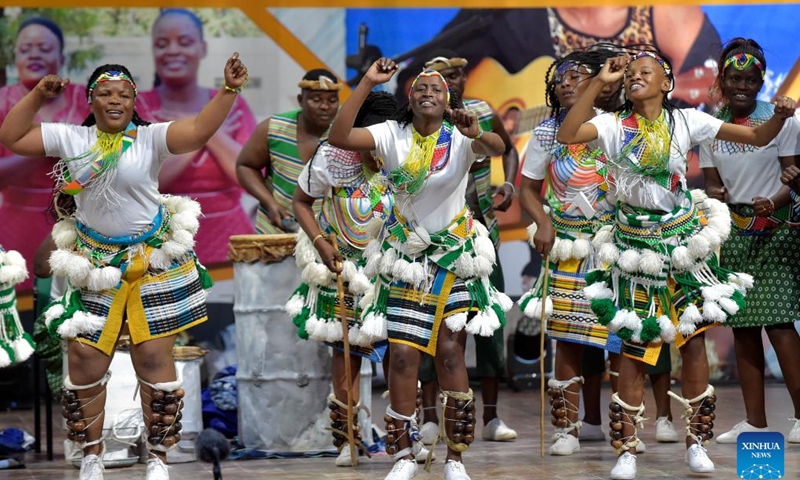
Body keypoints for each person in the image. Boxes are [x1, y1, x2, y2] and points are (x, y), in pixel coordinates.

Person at [0, 54, 248, 480]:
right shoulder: (72, 139)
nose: (114, 99)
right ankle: (92, 456)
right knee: (84, 357)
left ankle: (157, 458)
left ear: (135, 100)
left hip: (150, 258)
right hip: (94, 261)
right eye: (104, 93)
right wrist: (39, 95)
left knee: (153, 359)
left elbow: (200, 130)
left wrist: (228, 90)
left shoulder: (151, 138)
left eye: (123, 93)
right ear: (92, 100)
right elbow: (11, 135)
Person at [556, 47, 796, 479]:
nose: (633, 78)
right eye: (629, 74)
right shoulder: (612, 125)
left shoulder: (686, 120)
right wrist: (598, 82)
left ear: (666, 82)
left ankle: (696, 442)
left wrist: (779, 115)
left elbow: (758, 139)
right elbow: (567, 134)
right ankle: (627, 446)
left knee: (690, 340)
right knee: (635, 346)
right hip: (635, 248)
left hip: (682, 242)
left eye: (643, 72)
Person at [328, 58, 510, 480]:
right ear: (408, 100)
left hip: (455, 255)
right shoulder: (391, 135)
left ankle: (456, 458)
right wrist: (368, 81)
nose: (429, 91)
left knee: (450, 354)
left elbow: (498, 147)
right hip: (407, 258)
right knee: (405, 356)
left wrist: (476, 131)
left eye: (438, 89)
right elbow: (340, 135)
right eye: (420, 88)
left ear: (448, 101)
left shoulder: (461, 137)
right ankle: (403, 456)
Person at [518, 47, 623, 456]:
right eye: (559, 78)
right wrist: (543, 222)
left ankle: (615, 426)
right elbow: (527, 188)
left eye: (575, 76)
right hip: (567, 243)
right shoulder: (546, 133)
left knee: (614, 337)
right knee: (568, 336)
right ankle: (567, 428)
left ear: (600, 81)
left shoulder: (617, 126)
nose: (564, 83)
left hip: (615, 245)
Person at [286, 91, 397, 467]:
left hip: (397, 270)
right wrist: (319, 242)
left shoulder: (406, 154)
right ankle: (347, 439)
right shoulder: (331, 157)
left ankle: (405, 437)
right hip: (344, 270)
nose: (376, 146)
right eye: (369, 136)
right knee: (345, 353)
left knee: (402, 355)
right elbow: (300, 201)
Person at [700, 38, 800, 445]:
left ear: (761, 81)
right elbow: (710, 183)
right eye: (734, 78)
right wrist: (715, 199)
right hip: (734, 233)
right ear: (722, 79)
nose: (742, 85)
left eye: (750, 79)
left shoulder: (782, 119)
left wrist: (770, 203)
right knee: (742, 328)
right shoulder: (711, 124)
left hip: (775, 231)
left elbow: (792, 177)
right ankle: (755, 422)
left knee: (777, 323)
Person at [416, 50, 519, 444]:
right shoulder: (418, 122)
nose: (455, 82)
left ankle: (492, 417)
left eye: (459, 75)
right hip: (431, 242)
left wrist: (508, 183)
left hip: (482, 236)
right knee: (429, 323)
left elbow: (504, 147)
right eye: (445, 77)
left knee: (488, 322)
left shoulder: (479, 111)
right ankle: (428, 417)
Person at [137, 9, 257, 265]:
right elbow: (144, 178)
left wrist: (207, 131)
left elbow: (248, 176)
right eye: (161, 44)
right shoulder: (139, 107)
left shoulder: (232, 103)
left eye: (185, 42)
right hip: (162, 241)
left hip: (232, 241)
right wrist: (209, 129)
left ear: (202, 48)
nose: (172, 50)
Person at [0, 17, 90, 291]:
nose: (34, 54)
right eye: (26, 49)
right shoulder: (2, 101)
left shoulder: (88, 101)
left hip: (80, 221)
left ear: (61, 57)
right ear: (15, 57)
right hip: (16, 222)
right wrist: (48, 144)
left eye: (44, 48)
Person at [236, 69, 341, 234]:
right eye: (316, 99)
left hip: (328, 237)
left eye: (332, 100)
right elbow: (246, 166)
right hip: (276, 231)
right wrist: (269, 202)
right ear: (300, 100)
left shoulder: (345, 135)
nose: (325, 106)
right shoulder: (274, 128)